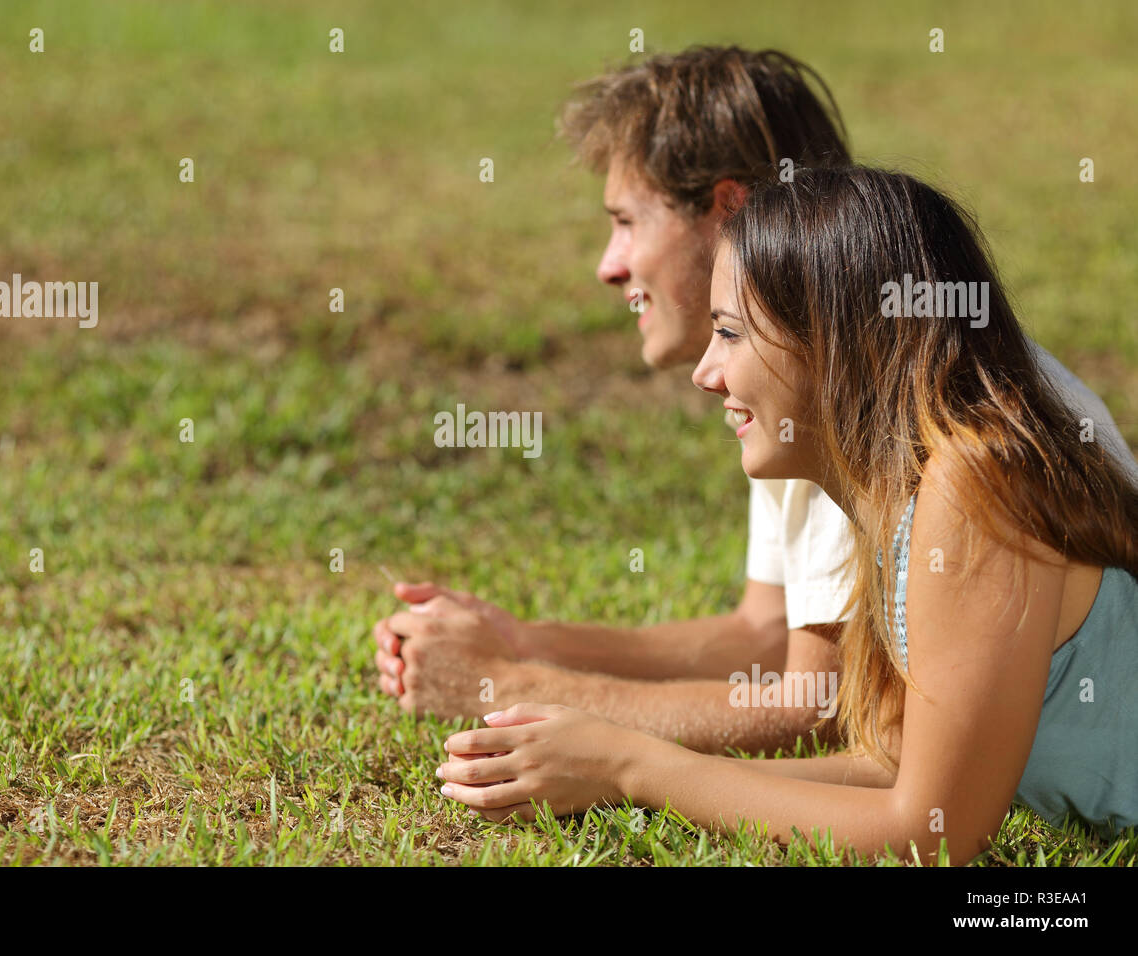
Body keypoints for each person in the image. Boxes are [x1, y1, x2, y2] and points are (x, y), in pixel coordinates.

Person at [372, 46, 1135, 760]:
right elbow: (766, 631)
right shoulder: (812, 378)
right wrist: (525, 643)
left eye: (625, 222)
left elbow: (820, 703)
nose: (609, 267)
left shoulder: (881, 406)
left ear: (730, 211)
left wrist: (508, 688)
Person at [433, 166, 1138, 864]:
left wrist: (634, 766)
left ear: (837, 339)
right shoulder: (898, 499)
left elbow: (931, 832)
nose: (705, 374)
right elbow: (886, 766)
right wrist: (617, 775)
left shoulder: (974, 486)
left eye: (732, 334)